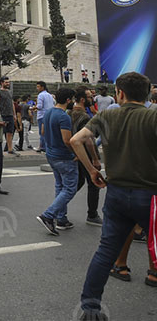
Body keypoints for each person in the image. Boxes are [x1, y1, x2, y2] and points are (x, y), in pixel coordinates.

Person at [71, 72, 157, 320]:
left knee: (106, 251)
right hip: (150, 196)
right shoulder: (153, 116)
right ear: (147, 92)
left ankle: (90, 308)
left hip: (117, 193)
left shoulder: (107, 115)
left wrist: (92, 170)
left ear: (120, 93)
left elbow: (77, 140)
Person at [36, 88, 77, 235]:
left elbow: (42, 132)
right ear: (68, 100)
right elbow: (67, 140)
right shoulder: (64, 117)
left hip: (51, 154)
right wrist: (76, 152)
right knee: (70, 188)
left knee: (60, 186)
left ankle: (61, 219)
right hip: (64, 156)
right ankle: (48, 215)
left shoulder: (48, 113)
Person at [69, 87, 103, 226]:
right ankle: (92, 214)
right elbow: (89, 140)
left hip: (75, 153)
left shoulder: (69, 113)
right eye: (89, 97)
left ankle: (58, 208)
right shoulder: (84, 117)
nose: (92, 99)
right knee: (93, 183)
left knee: (77, 183)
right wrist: (95, 158)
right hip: (85, 154)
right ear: (82, 99)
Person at [0, 76, 19, 156]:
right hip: (2, 115)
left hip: (10, 115)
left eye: (8, 82)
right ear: (2, 83)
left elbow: (12, 103)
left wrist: (14, 114)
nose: (8, 83)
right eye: (6, 82)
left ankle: (10, 149)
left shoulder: (10, 92)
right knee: (0, 133)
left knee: (10, 132)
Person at [35, 81, 54, 153]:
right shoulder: (49, 95)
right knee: (48, 132)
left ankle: (43, 147)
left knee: (42, 132)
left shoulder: (40, 95)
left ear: (42, 87)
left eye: (38, 87)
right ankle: (46, 146)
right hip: (50, 115)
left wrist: (33, 108)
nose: (37, 88)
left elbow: (39, 106)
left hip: (42, 115)